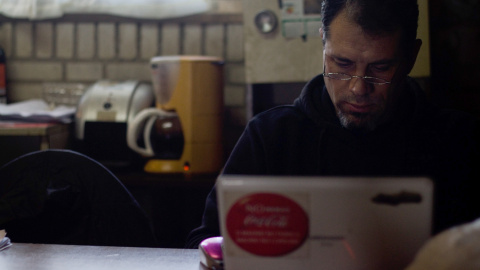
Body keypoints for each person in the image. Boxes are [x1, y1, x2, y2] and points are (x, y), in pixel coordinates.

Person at [185, 0, 480, 248]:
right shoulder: (270, 136)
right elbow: (207, 241)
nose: (358, 88)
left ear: (411, 58)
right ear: (323, 45)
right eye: (342, 64)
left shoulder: (458, 141)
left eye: (380, 68)